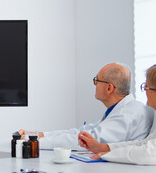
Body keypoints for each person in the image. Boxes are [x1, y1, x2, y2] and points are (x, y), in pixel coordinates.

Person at [20, 63, 154, 150]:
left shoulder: (131, 113)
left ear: (109, 88)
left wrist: (34, 142)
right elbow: (85, 131)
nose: (94, 84)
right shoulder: (122, 109)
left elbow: (86, 140)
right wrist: (39, 135)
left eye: (97, 80)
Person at [79, 64, 156, 165]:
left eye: (146, 87)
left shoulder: (131, 112)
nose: (145, 91)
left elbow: (149, 153)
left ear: (109, 88)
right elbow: (146, 143)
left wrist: (107, 154)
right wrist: (103, 148)